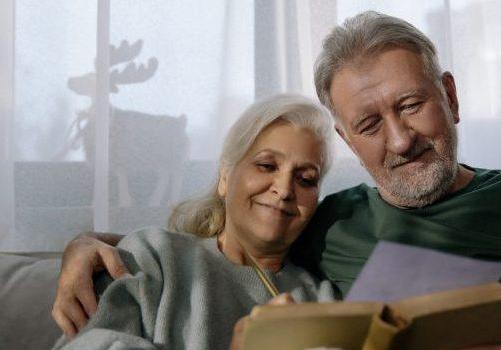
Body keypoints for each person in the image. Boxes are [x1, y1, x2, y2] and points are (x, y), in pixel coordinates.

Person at [52, 12, 501, 349]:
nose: (401, 141)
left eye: (412, 106)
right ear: (348, 140)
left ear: (450, 97)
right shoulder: (331, 222)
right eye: (370, 123)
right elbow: (225, 237)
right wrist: (86, 247)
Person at [53, 94, 338, 349]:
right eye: (266, 165)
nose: (285, 189)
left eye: (306, 179)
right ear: (225, 177)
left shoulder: (322, 300)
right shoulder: (153, 257)